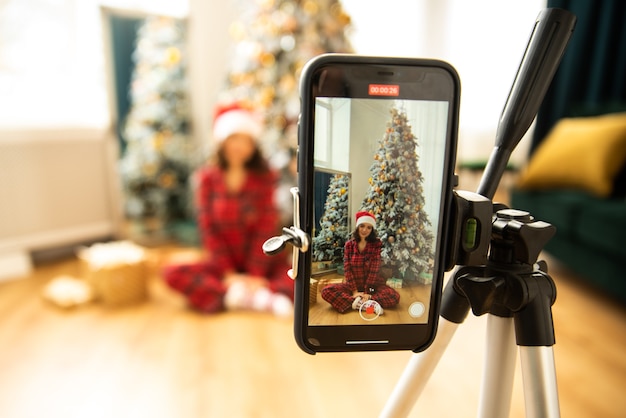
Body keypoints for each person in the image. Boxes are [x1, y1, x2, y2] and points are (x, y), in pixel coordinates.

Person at [163, 103, 293, 316]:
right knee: (172, 273)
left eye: (246, 140)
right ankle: (241, 294)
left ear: (254, 146)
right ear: (222, 141)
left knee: (299, 279)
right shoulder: (206, 179)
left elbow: (266, 227)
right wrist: (228, 273)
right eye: (234, 138)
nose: (240, 146)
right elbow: (208, 230)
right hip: (222, 266)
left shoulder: (266, 178)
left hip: (262, 263)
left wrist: (255, 274)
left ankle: (246, 294)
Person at [321, 211, 400, 314]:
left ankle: (363, 302)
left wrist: (368, 293)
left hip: (373, 287)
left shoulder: (376, 244)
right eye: (362, 226)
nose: (364, 230)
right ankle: (363, 304)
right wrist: (354, 292)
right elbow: (347, 269)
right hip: (353, 287)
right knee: (326, 291)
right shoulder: (349, 245)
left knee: (394, 296)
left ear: (372, 230)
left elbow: (374, 270)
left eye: (369, 227)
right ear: (357, 226)